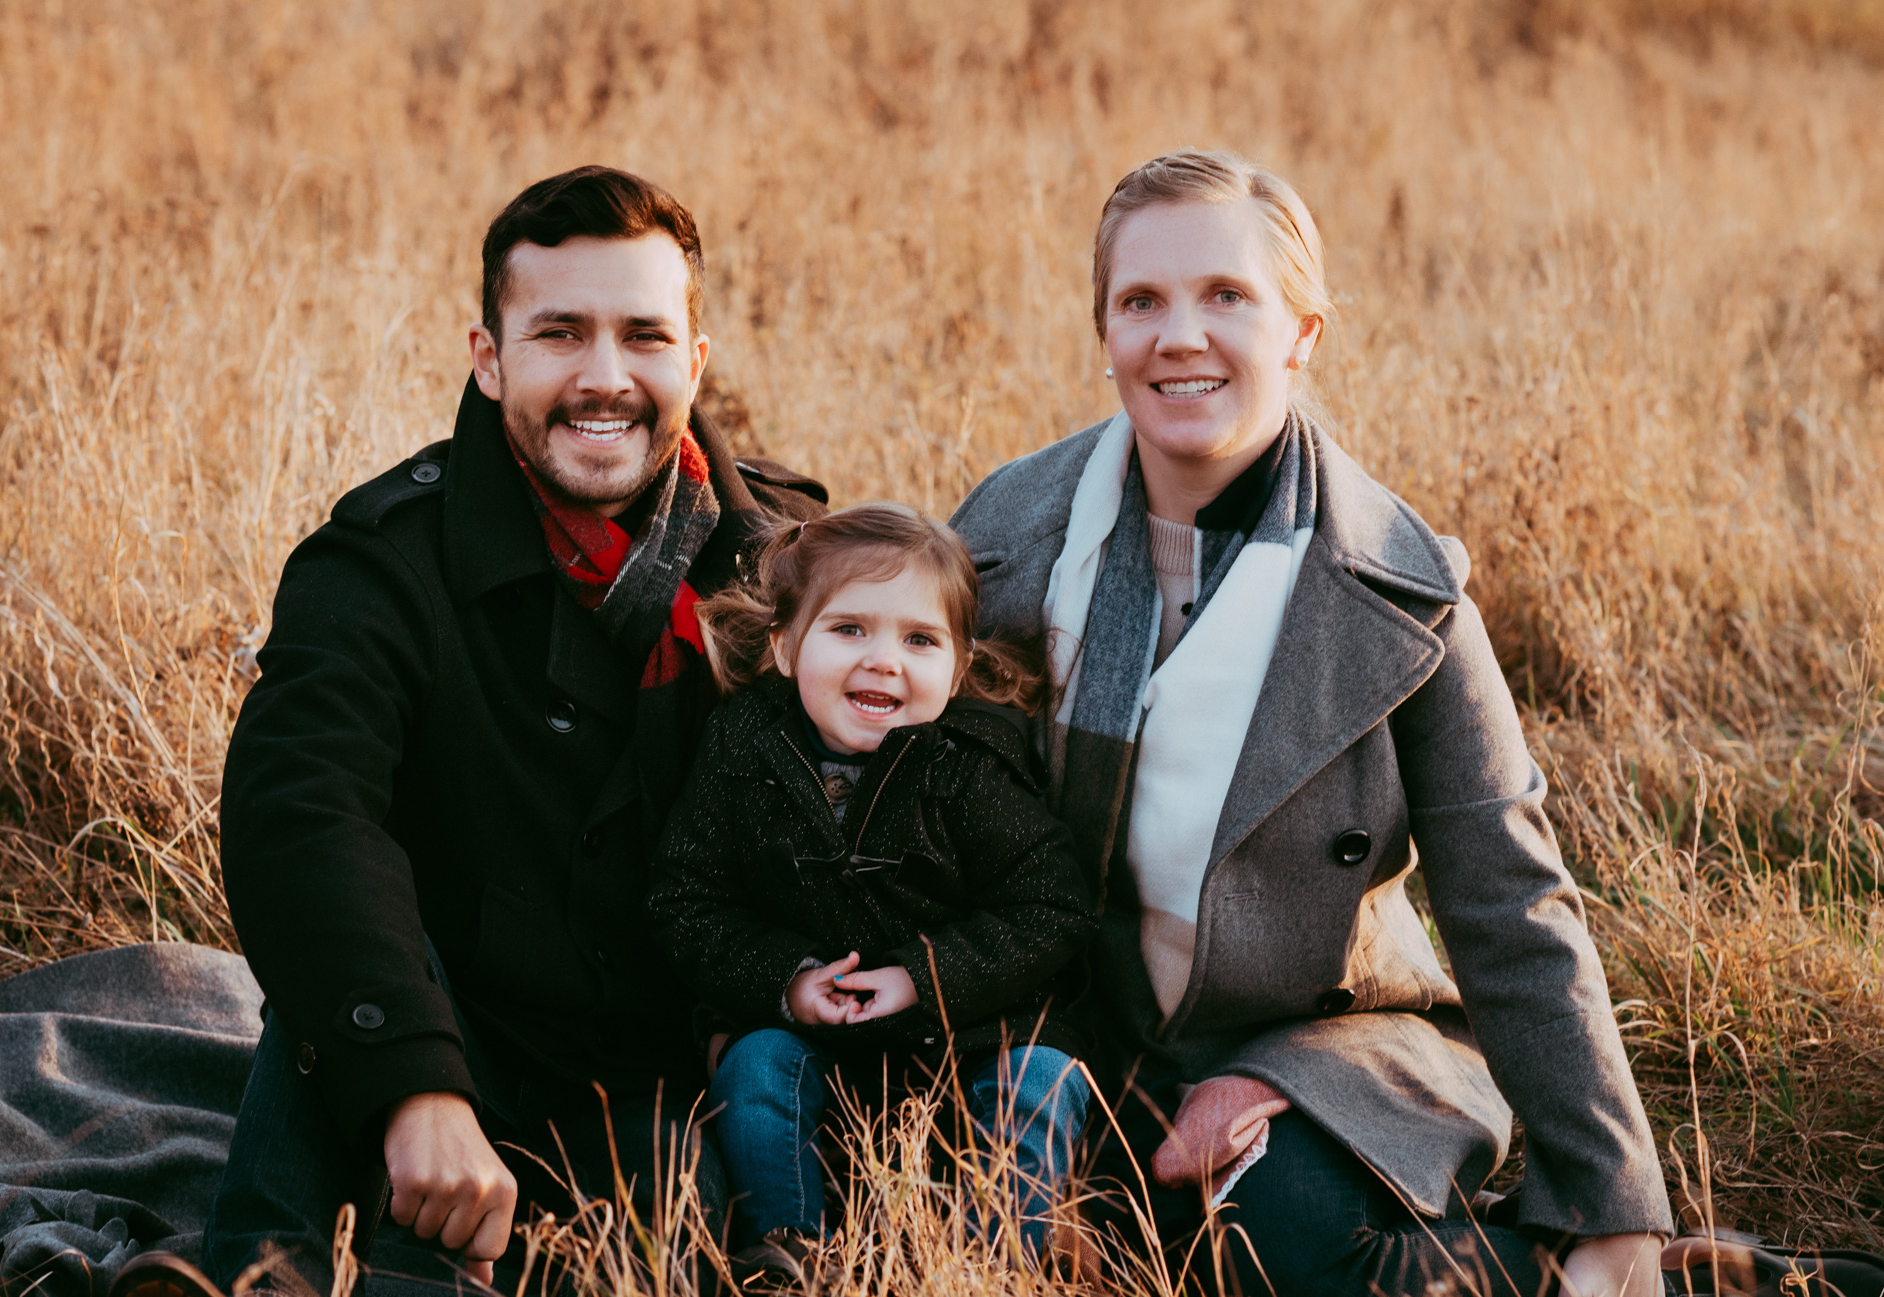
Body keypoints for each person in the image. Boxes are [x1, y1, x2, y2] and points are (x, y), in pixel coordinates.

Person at [949, 150, 1675, 1297]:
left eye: (1226, 296)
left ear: (1302, 331)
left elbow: (1509, 897)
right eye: (1142, 301)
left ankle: (1671, 1281)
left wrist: (1613, 1207)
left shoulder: (1403, 592)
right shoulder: (1004, 534)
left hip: (1329, 1040)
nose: (1179, 336)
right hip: (1066, 1034)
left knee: (1271, 1239)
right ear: (1103, 331)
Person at [112, 166, 828, 1297]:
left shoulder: (795, 560)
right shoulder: (383, 558)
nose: (605, 378)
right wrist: (415, 1087)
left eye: (644, 336)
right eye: (559, 333)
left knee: (651, 1245)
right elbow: (301, 812)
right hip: (451, 1021)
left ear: (695, 361)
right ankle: (258, 1278)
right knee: (347, 979)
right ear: (489, 357)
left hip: (667, 1067)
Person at [648, 503, 1097, 1284]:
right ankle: (790, 1250)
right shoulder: (743, 746)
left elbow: (1051, 905)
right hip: (813, 1037)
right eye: (849, 629)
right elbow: (686, 899)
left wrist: (921, 977)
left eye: (919, 640)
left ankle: (982, 1262)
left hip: (968, 1041)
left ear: (958, 669)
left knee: (1044, 1082)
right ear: (786, 645)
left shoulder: (970, 762)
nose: (884, 660)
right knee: (754, 1068)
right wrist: (787, 981)